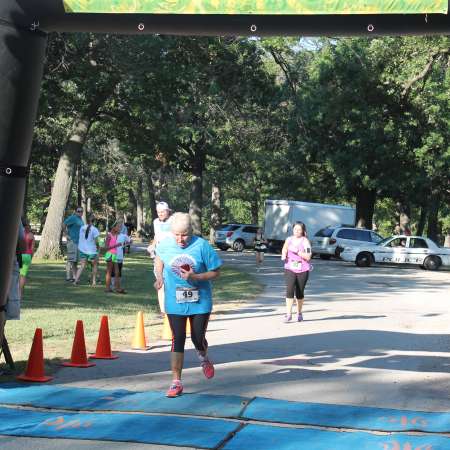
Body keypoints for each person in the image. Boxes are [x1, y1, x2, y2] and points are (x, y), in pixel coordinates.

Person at [154, 212, 222, 398]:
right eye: (177, 234)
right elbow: (159, 258)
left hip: (200, 301)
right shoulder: (166, 244)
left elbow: (216, 272)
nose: (180, 239)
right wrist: (159, 277)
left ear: (191, 230)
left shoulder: (202, 246)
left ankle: (203, 357)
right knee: (178, 338)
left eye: (184, 234)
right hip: (175, 301)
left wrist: (195, 277)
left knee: (197, 338)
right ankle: (176, 382)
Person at [281, 221, 312, 323]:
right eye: (295, 229)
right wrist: (284, 254)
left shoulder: (305, 241)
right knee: (289, 290)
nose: (297, 231)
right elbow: (284, 248)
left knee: (299, 292)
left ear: (303, 231)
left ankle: (299, 313)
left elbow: (308, 256)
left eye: (299, 229)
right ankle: (288, 314)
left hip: (303, 269)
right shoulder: (289, 239)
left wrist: (297, 251)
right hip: (289, 268)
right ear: (293, 230)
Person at [148, 201, 172, 314]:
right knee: (160, 281)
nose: (160, 214)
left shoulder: (174, 221)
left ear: (168, 211)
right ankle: (163, 311)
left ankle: (173, 309)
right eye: (158, 212)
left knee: (171, 282)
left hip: (171, 255)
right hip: (159, 255)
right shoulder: (156, 222)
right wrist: (152, 245)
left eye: (163, 212)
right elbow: (157, 236)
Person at [74, 215, 100, 286]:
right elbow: (96, 241)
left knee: (82, 266)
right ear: (94, 222)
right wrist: (98, 247)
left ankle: (76, 280)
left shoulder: (82, 228)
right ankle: (94, 282)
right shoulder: (95, 229)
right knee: (94, 265)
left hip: (82, 249)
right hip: (91, 251)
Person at [104, 222, 126, 294]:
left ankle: (117, 288)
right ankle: (107, 288)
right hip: (110, 255)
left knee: (117, 272)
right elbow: (106, 248)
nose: (120, 229)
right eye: (118, 227)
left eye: (120, 227)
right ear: (113, 228)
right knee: (109, 272)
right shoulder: (109, 235)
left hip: (115, 255)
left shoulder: (116, 235)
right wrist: (116, 245)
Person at [63, 207, 84, 282]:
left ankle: (75, 277)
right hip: (72, 241)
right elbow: (64, 224)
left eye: (81, 211)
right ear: (75, 211)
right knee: (70, 259)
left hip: (78, 242)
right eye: (78, 211)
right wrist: (66, 235)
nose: (80, 212)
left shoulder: (80, 219)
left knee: (75, 260)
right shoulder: (73, 218)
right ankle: (68, 277)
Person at [111, 221, 132, 290]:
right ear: (114, 227)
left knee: (119, 270)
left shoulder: (123, 236)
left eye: (120, 227)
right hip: (112, 255)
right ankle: (113, 284)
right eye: (117, 227)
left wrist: (124, 246)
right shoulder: (111, 235)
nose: (119, 228)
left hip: (119, 255)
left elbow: (130, 241)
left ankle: (118, 284)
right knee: (112, 270)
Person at [19, 221, 35, 297]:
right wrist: (31, 258)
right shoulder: (31, 235)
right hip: (27, 256)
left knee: (17, 275)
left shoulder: (19, 234)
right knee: (23, 275)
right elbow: (32, 249)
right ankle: (21, 294)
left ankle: (16, 292)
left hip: (19, 254)